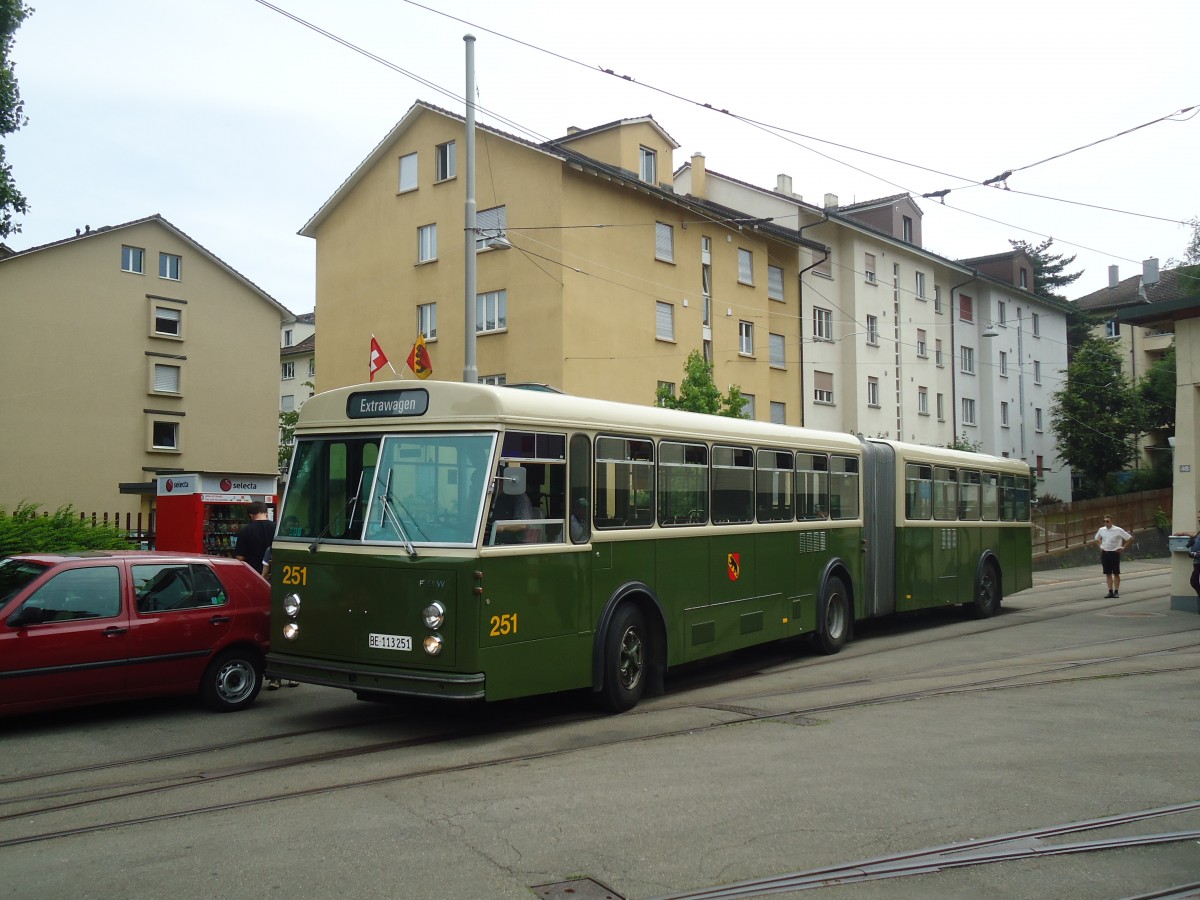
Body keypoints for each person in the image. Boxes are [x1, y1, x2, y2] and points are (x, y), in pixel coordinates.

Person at [1093, 514, 1133, 598]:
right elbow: (1096, 539)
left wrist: (1123, 548)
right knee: (1108, 573)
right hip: (1105, 553)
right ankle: (1110, 591)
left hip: (1114, 553)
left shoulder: (1118, 530)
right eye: (1104, 521)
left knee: (1116, 573)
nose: (1105, 523)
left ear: (1111, 521)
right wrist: (1100, 547)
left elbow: (1129, 538)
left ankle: (1116, 591)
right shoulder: (1102, 530)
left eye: (1107, 521)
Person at [234, 502, 274, 576]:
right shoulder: (277, 528)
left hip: (253, 574)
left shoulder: (245, 530)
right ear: (266, 513)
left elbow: (240, 558)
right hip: (274, 573)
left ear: (251, 516)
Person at [1176, 511, 1200, 614]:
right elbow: (1195, 534)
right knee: (1194, 582)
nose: (1199, 519)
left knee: (1195, 581)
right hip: (1197, 563)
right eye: (1198, 517)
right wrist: (1184, 533)